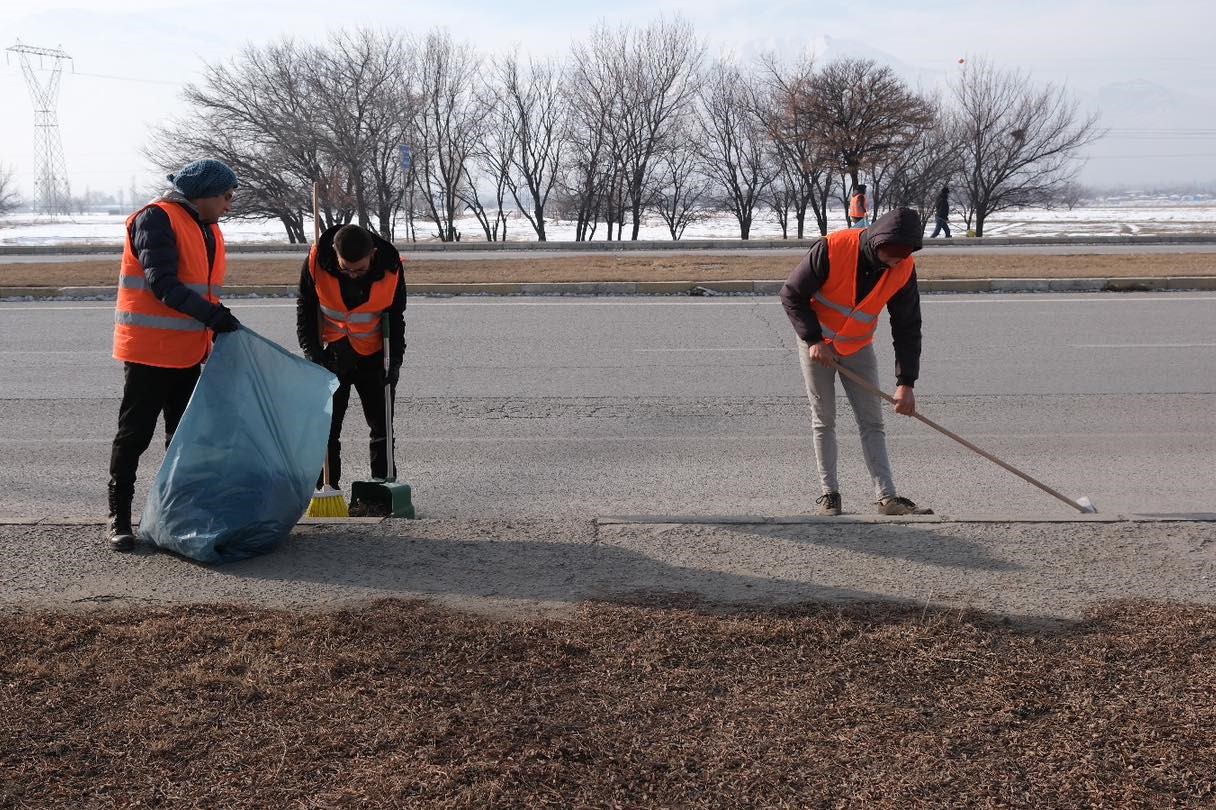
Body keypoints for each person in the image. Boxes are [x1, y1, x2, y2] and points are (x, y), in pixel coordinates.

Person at [107, 158, 241, 551]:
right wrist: (213, 316)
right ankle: (119, 516)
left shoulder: (206, 227)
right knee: (134, 436)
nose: (229, 205)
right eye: (226, 196)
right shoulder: (155, 219)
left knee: (182, 440)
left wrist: (213, 321)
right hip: (149, 352)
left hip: (187, 352)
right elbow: (163, 284)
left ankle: (173, 516)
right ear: (204, 195)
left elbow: (201, 289)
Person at [780, 207, 933, 516]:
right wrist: (813, 340)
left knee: (872, 422)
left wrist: (906, 384)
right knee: (824, 419)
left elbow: (907, 326)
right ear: (876, 244)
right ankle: (830, 494)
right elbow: (791, 295)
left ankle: (886, 497)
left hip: (857, 346)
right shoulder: (833, 248)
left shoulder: (904, 267)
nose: (895, 263)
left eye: (901, 257)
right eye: (890, 256)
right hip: (817, 346)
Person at [296, 223, 406, 495]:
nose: (353, 275)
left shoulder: (391, 267)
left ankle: (383, 488)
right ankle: (326, 488)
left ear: (373, 254)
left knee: (382, 427)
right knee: (327, 429)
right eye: (346, 268)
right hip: (333, 353)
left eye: (360, 269)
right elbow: (306, 310)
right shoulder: (316, 261)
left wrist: (395, 361)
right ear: (335, 254)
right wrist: (313, 354)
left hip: (374, 356)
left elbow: (396, 316)